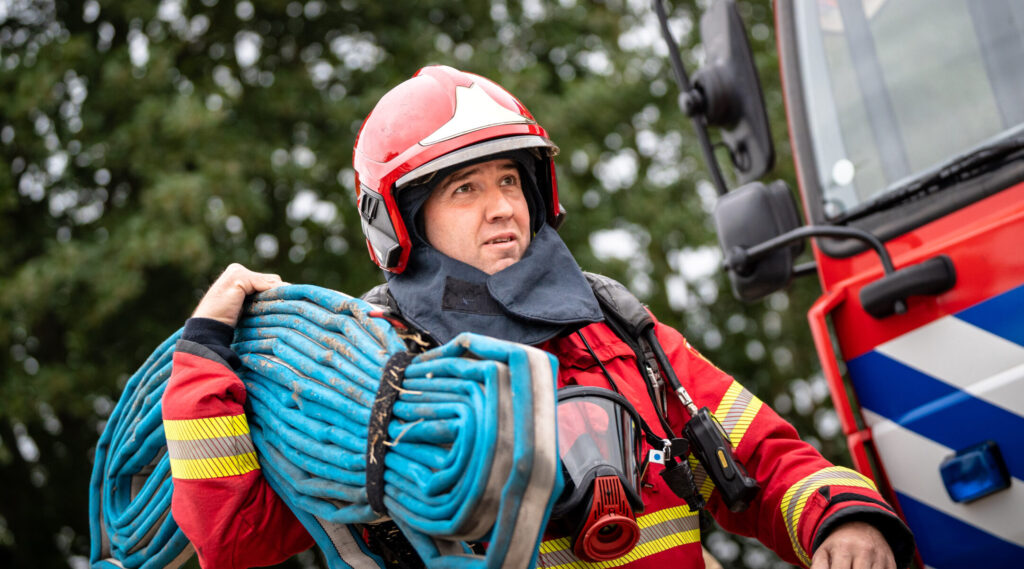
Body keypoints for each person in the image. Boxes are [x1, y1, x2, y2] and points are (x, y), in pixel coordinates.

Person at [162, 65, 914, 569]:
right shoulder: (359, 377)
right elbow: (234, 539)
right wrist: (204, 353)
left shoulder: (617, 327)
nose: (501, 207)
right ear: (399, 222)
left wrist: (843, 519)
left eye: (508, 181)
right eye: (464, 189)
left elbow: (763, 460)